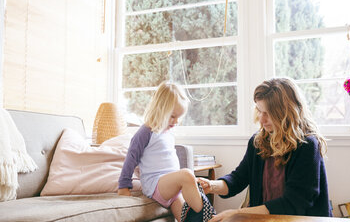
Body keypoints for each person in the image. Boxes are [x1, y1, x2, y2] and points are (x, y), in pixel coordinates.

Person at [198, 77, 332, 221]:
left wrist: (239, 213)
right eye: (259, 111)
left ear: (285, 113)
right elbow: (238, 179)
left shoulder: (307, 145)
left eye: (268, 113)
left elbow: (294, 203)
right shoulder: (258, 141)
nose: (261, 119)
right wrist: (211, 185)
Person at [117, 81, 204, 222]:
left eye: (179, 117)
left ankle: (203, 219)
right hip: (155, 184)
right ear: (160, 109)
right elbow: (131, 157)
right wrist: (123, 186)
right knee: (187, 175)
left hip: (172, 191)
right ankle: (209, 215)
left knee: (187, 218)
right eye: (173, 116)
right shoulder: (146, 131)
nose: (176, 121)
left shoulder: (168, 132)